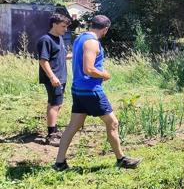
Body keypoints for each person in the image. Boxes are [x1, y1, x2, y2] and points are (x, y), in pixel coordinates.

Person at [53, 15, 141, 171]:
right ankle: (121, 159)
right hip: (91, 91)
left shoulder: (80, 38)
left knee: (73, 126)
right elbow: (89, 69)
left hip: (79, 90)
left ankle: (59, 163)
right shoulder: (92, 42)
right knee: (112, 123)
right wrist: (105, 75)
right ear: (105, 29)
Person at [37, 13, 72, 146]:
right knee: (54, 104)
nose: (65, 29)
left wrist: (78, 54)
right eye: (63, 26)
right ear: (54, 25)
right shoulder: (46, 40)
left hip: (61, 77)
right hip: (54, 78)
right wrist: (52, 77)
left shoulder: (59, 39)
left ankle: (54, 129)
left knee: (57, 103)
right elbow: (43, 60)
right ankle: (51, 135)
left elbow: (61, 56)